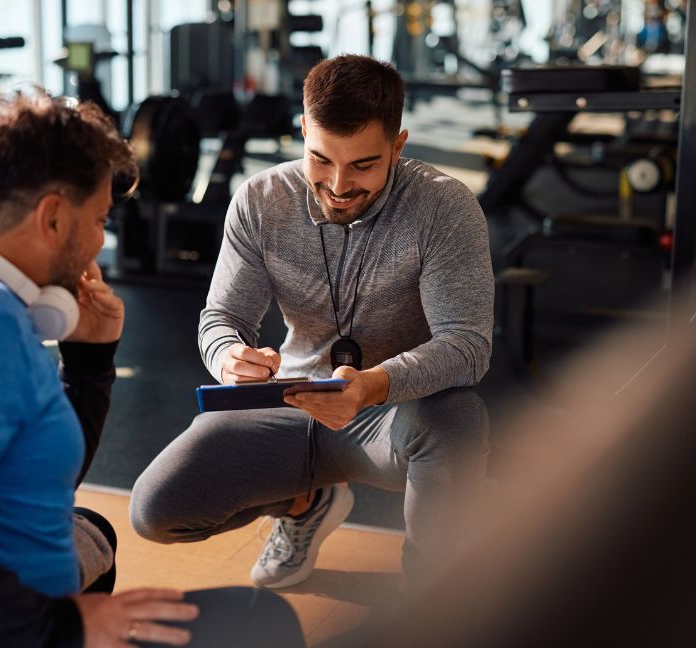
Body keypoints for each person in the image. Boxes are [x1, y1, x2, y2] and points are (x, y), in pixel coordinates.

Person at [0, 90, 304, 647]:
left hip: (4, 604)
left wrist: (89, 365)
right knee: (259, 622)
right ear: (52, 217)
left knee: (92, 535)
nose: (99, 240)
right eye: (99, 220)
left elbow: (39, 481)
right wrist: (59, 626)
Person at [130, 55, 493, 590]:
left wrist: (373, 385)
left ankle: (428, 596)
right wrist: (229, 356)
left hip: (392, 414)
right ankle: (304, 504)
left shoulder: (443, 207)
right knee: (157, 510)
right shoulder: (261, 200)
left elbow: (467, 345)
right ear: (303, 130)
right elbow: (222, 318)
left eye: (364, 165)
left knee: (458, 422)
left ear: (398, 146)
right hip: (292, 401)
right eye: (321, 159)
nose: (339, 185)